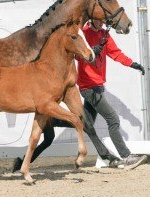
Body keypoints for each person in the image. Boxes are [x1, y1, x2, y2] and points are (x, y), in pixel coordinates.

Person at [12, 19, 147, 172]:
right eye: (98, 20)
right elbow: (75, 53)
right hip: (88, 87)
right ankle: (126, 156)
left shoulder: (104, 35)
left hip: (98, 86)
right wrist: (89, 52)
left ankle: (54, 120)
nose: (101, 23)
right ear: (91, 19)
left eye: (103, 21)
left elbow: (115, 53)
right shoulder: (84, 33)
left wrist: (131, 63)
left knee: (85, 123)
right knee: (113, 119)